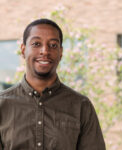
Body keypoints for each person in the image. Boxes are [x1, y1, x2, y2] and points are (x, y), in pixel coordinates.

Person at [0, 18, 106, 150]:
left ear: (61, 53)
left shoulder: (81, 106)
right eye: (36, 44)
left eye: (53, 45)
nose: (45, 51)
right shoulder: (2, 105)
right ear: (23, 50)